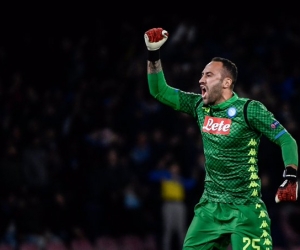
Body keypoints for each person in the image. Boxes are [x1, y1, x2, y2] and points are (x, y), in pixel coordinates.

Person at [143, 27, 298, 250]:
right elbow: (159, 91)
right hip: (209, 209)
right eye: (201, 75)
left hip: (245, 211)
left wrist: (290, 177)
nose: (200, 80)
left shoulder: (249, 110)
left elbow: (287, 140)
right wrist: (153, 53)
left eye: (208, 75)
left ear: (226, 83)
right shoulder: (198, 106)